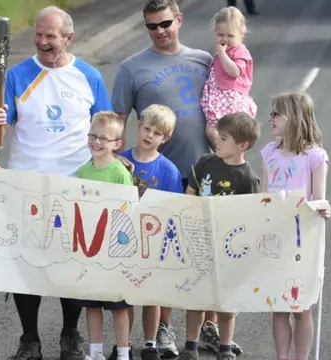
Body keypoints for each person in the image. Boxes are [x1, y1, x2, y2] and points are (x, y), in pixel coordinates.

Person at [0, 5, 112, 360]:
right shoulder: (16, 75)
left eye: (50, 37)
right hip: (27, 184)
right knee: (28, 264)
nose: (42, 42)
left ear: (68, 38)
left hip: (74, 184)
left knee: (70, 264)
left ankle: (70, 333)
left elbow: (106, 129)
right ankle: (30, 339)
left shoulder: (89, 76)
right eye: (38, 35)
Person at [111, 0, 212, 356]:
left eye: (165, 23)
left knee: (201, 256)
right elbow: (116, 123)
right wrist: (113, 165)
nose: (159, 31)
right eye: (151, 26)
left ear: (179, 20)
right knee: (159, 259)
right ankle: (160, 331)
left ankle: (207, 326)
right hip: (155, 180)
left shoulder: (204, 60)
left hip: (202, 175)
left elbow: (229, 101)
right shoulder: (131, 68)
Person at [178, 112, 260, 360]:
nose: (217, 140)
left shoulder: (248, 178)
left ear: (242, 145)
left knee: (226, 301)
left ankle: (225, 347)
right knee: (197, 297)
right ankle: (191, 346)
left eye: (223, 138)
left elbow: (250, 216)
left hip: (228, 249)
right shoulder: (205, 162)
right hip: (200, 242)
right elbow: (190, 192)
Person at [105, 104, 182, 360]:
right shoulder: (118, 161)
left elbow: (175, 209)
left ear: (166, 138)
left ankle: (150, 342)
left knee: (151, 293)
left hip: (153, 240)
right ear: (138, 125)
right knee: (125, 295)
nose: (150, 135)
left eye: (157, 133)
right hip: (123, 238)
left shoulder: (169, 170)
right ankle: (123, 343)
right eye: (147, 128)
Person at [261, 91, 331, 360]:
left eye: (276, 113)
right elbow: (264, 196)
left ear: (295, 118)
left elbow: (319, 197)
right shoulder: (269, 152)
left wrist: (322, 209)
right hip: (275, 237)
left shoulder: (315, 156)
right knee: (279, 305)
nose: (270, 119)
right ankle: (283, 357)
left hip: (303, 240)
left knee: (301, 306)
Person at [72, 111, 135, 360]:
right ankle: (95, 352)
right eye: (93, 136)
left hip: (114, 250)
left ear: (117, 144)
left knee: (118, 306)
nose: (96, 142)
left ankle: (122, 353)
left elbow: (127, 212)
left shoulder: (120, 173)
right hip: (90, 249)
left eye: (104, 138)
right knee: (92, 304)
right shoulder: (83, 172)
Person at [200, 6, 257, 141]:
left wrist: (221, 54)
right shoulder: (225, 51)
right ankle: (225, 154)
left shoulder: (240, 52)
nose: (225, 39)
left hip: (230, 99)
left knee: (215, 131)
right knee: (216, 131)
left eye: (230, 36)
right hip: (219, 97)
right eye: (221, 35)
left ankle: (225, 154)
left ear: (241, 34)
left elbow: (235, 71)